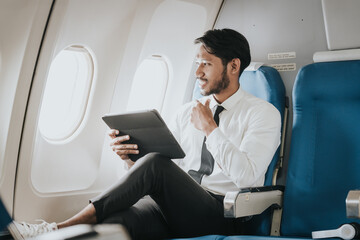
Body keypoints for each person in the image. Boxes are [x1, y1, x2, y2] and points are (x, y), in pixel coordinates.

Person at [15, 28, 281, 239]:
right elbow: (169, 169)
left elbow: (247, 175)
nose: (198, 72)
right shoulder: (188, 111)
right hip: (174, 208)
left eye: (206, 64)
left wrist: (211, 129)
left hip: (222, 214)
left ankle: (56, 230)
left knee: (155, 164)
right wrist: (130, 158)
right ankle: (65, 232)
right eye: (197, 63)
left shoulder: (263, 114)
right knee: (116, 223)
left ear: (233, 67)